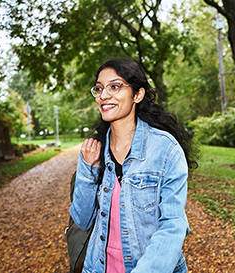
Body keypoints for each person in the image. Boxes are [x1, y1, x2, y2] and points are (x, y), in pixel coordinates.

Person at [69, 58, 197, 273]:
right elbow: (81, 220)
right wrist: (88, 170)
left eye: (115, 86)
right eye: (99, 89)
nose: (104, 95)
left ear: (137, 95)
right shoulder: (95, 150)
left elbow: (173, 225)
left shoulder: (165, 149)